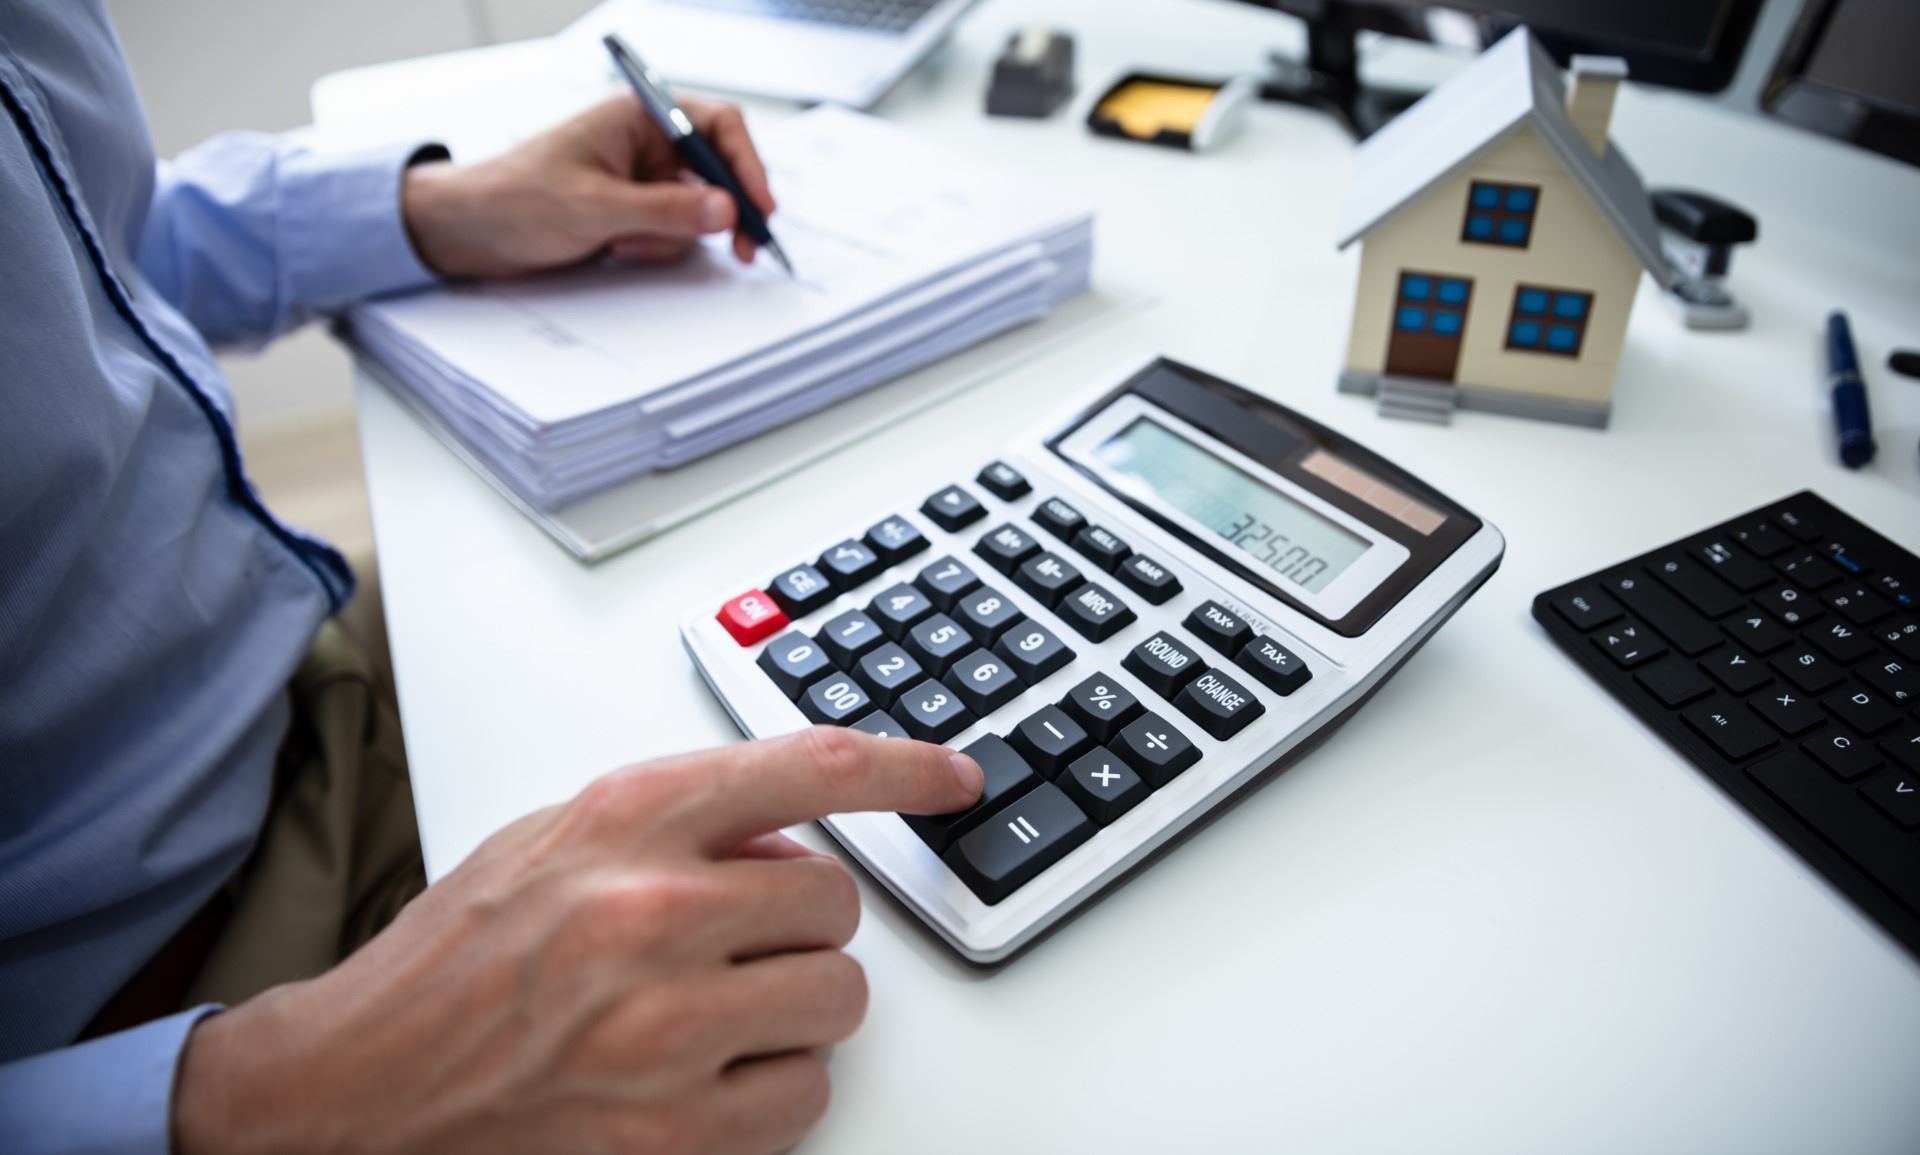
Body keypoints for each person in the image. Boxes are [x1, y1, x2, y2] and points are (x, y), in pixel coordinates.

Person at [0, 4, 984, 1154]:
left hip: (277, 638)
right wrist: (256, 1097)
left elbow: (80, 239)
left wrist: (434, 211)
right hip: (157, 994)